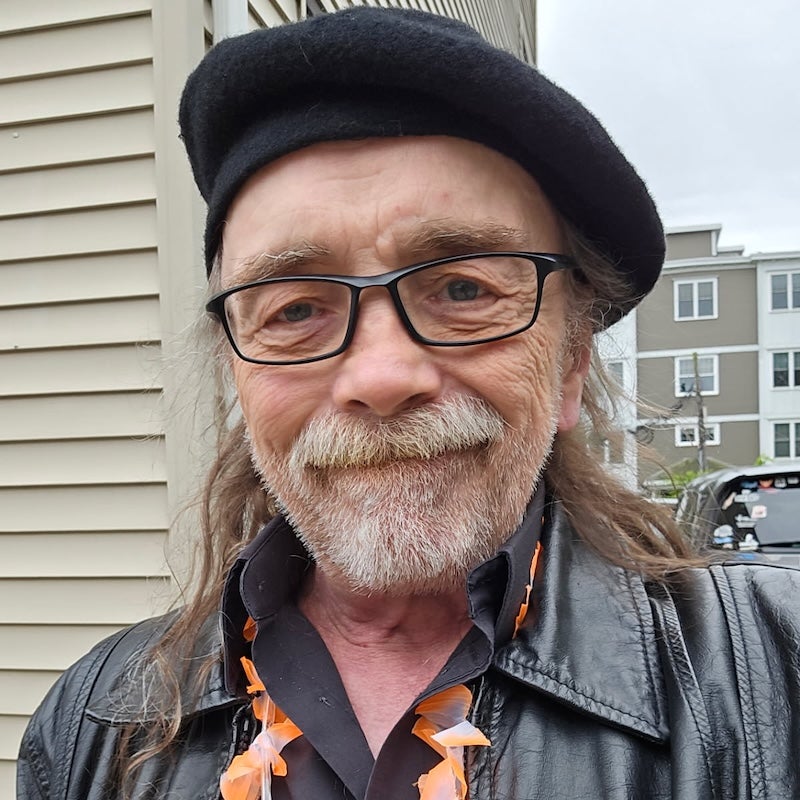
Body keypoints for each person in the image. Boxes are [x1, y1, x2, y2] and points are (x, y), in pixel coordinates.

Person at [17, 8, 800, 800]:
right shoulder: (91, 729)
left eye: (463, 288)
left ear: (570, 363)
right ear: (238, 376)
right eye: (293, 310)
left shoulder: (775, 675)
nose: (382, 375)